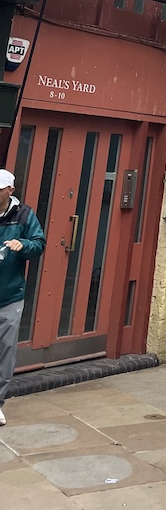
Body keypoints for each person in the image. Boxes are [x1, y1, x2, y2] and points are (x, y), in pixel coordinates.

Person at [0, 169, 45, 425]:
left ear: (10, 191)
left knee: (5, 351)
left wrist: (23, 245)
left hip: (10, 294)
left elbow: (39, 243)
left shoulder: (24, 215)